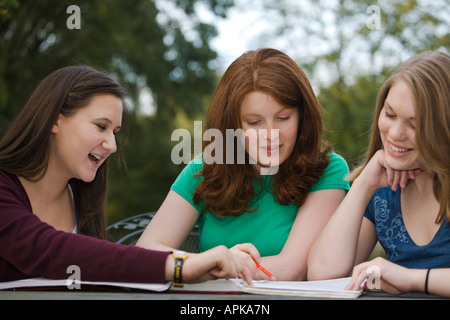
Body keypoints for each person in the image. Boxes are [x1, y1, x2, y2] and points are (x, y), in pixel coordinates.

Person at [0, 65, 259, 285]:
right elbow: (50, 251)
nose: (112, 145)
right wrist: (182, 265)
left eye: (115, 132)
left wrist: (207, 269)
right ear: (55, 120)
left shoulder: (80, 195)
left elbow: (100, 268)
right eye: (101, 126)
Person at [136, 48, 350, 281]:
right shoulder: (204, 169)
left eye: (283, 118)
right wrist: (205, 263)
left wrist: (216, 268)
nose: (271, 135)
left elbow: (292, 268)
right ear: (232, 125)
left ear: (302, 117)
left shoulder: (328, 169)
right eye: (255, 122)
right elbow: (144, 254)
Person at [307, 51, 450, 298]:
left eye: (414, 125)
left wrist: (411, 279)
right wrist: (364, 184)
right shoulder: (384, 192)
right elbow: (323, 273)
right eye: (390, 114)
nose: (395, 133)